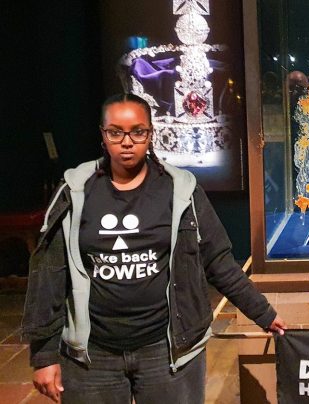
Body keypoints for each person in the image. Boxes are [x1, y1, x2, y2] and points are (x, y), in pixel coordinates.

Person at [22, 93, 286, 403]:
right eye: (116, 132)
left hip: (167, 351)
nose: (127, 142)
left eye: (138, 132)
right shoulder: (76, 190)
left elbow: (218, 261)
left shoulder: (180, 189)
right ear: (103, 135)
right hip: (93, 357)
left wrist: (263, 313)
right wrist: (44, 355)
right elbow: (49, 273)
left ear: (150, 134)